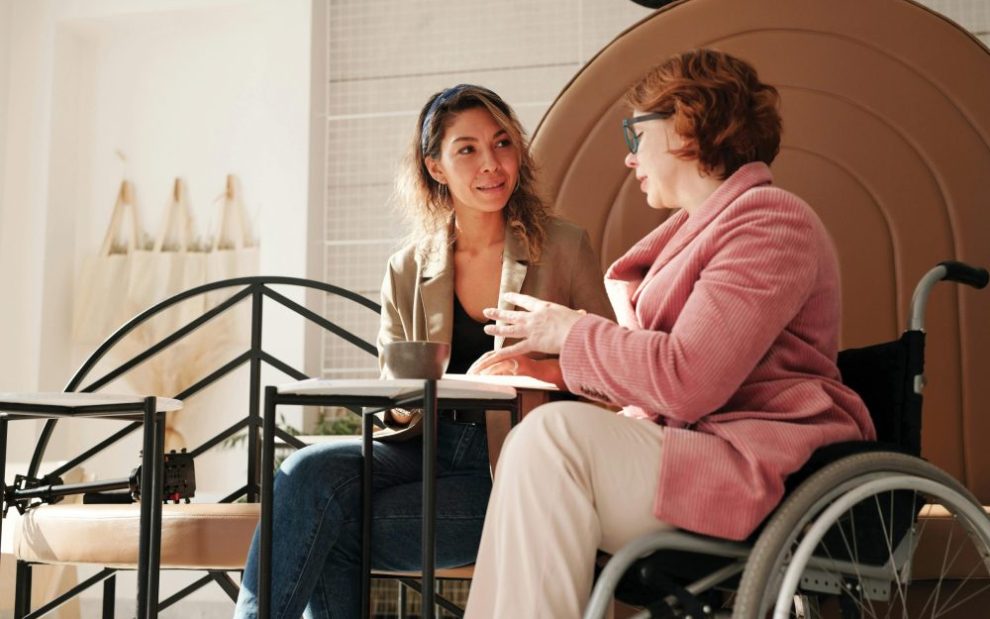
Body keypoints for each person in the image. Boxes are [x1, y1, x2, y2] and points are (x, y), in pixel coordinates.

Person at [463, 50, 876, 617]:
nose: (629, 158)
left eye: (636, 134)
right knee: (536, 443)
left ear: (686, 124)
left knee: (551, 439)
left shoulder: (771, 221)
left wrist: (570, 331)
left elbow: (688, 379)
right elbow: (671, 374)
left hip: (752, 463)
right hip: (694, 446)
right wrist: (551, 368)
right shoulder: (701, 232)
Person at [233, 84, 612, 618]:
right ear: (435, 167)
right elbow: (392, 407)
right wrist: (403, 393)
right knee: (304, 472)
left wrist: (538, 368)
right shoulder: (407, 267)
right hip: (423, 446)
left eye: (502, 144)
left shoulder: (564, 247)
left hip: (516, 463)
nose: (491, 164)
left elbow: (611, 373)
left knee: (330, 530)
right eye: (467, 149)